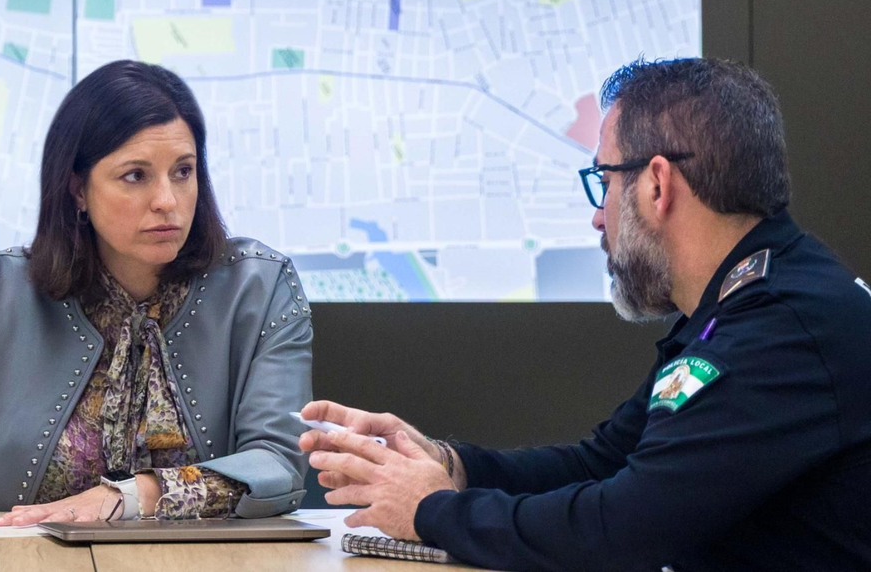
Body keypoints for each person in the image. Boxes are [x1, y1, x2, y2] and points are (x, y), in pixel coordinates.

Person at [300, 58, 871, 571]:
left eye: (604, 181)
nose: (599, 218)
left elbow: (622, 531)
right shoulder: (742, 305)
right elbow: (603, 464)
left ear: (655, 184)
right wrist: (448, 465)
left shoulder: (779, 328)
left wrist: (433, 511)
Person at [0, 60, 312, 531]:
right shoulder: (2, 289)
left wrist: (132, 496)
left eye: (183, 171)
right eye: (136, 175)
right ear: (77, 189)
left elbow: (277, 463)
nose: (167, 201)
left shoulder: (259, 287)